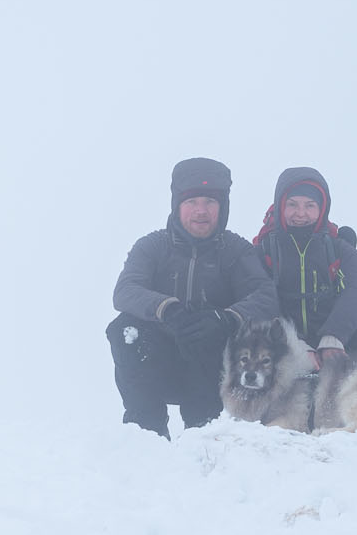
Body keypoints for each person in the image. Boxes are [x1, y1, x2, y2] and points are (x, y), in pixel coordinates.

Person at [108, 157, 277, 437]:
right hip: (155, 361)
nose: (201, 211)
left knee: (212, 336)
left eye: (210, 202)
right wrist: (166, 310)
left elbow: (265, 296)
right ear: (177, 206)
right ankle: (145, 436)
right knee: (125, 331)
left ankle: (203, 438)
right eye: (192, 202)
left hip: (210, 363)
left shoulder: (236, 250)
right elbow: (125, 290)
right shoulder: (152, 246)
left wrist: (225, 319)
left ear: (222, 208)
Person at [250, 166, 357, 361]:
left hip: (331, 332)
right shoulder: (263, 251)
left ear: (322, 208)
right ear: (280, 206)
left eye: (310, 206)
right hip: (281, 334)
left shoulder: (340, 250)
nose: (300, 213)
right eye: (292, 205)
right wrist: (293, 342)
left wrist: (334, 337)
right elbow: (259, 301)